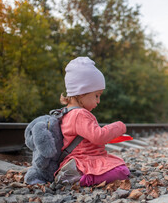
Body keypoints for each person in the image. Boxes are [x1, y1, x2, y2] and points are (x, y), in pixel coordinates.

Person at [54, 56, 130, 186]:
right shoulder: (80, 114)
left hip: (81, 158)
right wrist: (119, 127)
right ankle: (81, 178)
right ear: (82, 92)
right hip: (84, 159)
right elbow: (98, 136)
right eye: (96, 95)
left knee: (119, 164)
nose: (98, 101)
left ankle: (75, 174)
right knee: (122, 171)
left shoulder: (66, 113)